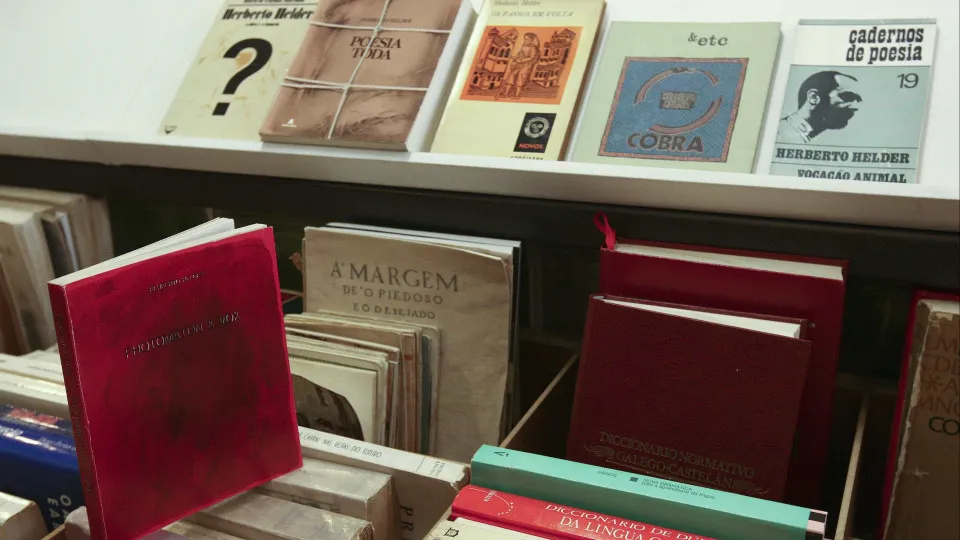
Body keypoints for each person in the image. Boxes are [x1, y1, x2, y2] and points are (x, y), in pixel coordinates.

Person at [778, 71, 862, 143]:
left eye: (858, 100)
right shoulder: (779, 133)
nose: (855, 107)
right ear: (813, 97)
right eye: (847, 97)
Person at [499, 33, 540, 99]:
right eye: (525, 39)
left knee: (521, 77)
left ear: (531, 40)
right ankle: (506, 93)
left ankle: (517, 95)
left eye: (527, 39)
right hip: (519, 63)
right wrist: (515, 60)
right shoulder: (523, 45)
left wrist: (521, 60)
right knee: (512, 75)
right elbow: (520, 53)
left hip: (527, 64)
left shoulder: (533, 48)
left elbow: (531, 57)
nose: (525, 40)